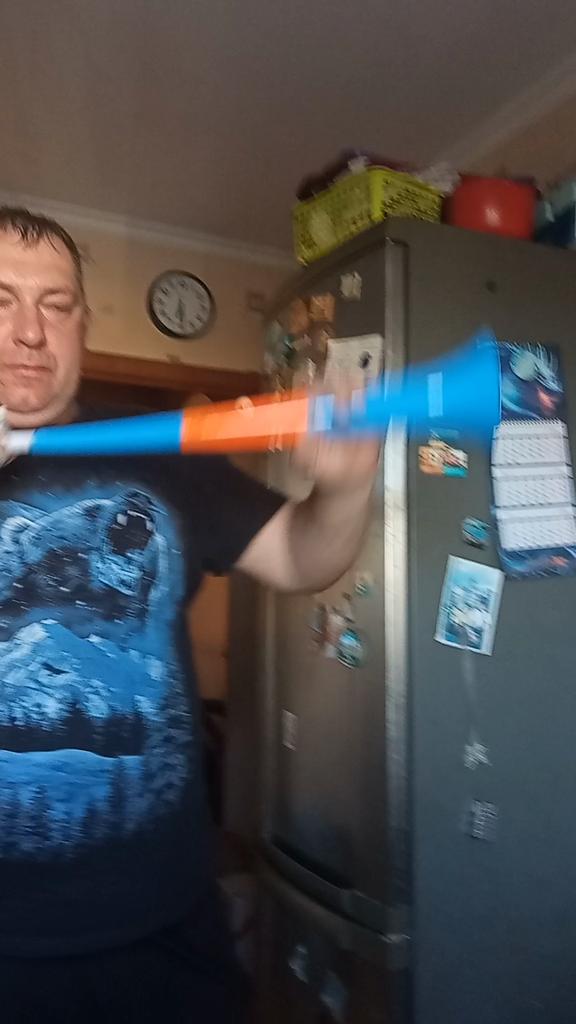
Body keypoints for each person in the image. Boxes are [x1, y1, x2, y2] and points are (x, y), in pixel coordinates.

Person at [0, 206, 379, 1022]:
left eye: (56, 304)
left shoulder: (155, 448)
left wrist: (346, 490)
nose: (30, 330)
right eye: (1, 301)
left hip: (167, 934)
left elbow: (302, 557)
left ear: (83, 325)